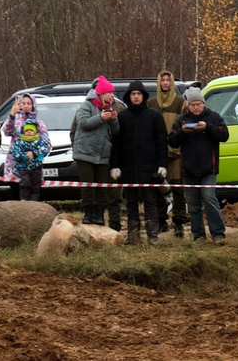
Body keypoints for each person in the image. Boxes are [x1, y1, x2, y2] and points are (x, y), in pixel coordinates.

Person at [111, 80, 169, 243]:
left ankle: (152, 235)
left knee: (150, 202)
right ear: (129, 96)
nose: (136, 97)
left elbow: (162, 143)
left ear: (143, 96)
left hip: (149, 168)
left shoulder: (155, 116)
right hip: (128, 168)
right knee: (131, 202)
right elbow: (116, 144)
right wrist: (115, 165)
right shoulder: (122, 117)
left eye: (139, 94)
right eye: (133, 94)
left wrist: (163, 164)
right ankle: (133, 235)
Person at [171, 88, 230, 241]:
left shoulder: (214, 117)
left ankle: (218, 233)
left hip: (209, 169)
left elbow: (224, 135)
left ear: (203, 103)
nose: (196, 107)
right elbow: (172, 141)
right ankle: (198, 235)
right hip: (188, 170)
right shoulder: (181, 120)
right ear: (188, 105)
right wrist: (183, 132)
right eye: (192, 104)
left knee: (209, 199)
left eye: (198, 104)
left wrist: (208, 128)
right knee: (193, 205)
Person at [66, 84, 115, 226]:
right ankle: (88, 214)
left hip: (102, 154)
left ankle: (99, 215)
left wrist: (113, 119)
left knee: (101, 186)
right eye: (110, 92)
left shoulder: (109, 108)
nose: (112, 95)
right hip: (85, 154)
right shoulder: (86, 106)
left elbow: (115, 131)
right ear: (102, 93)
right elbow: (83, 123)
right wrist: (100, 117)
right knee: (88, 186)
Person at [151, 71, 189, 235]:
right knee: (157, 187)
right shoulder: (151, 103)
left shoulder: (181, 103)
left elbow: (186, 125)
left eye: (168, 80)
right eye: (163, 80)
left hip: (175, 152)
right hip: (156, 153)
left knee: (177, 188)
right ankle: (161, 220)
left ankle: (179, 222)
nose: (165, 83)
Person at [8, 118, 49, 201]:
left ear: (36, 131)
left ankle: (34, 202)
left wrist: (36, 155)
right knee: (25, 184)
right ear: (23, 132)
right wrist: (21, 157)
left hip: (36, 168)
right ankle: (24, 200)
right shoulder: (19, 142)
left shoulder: (40, 142)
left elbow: (44, 150)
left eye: (31, 130)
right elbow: (14, 151)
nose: (29, 132)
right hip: (23, 168)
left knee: (36, 186)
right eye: (27, 130)